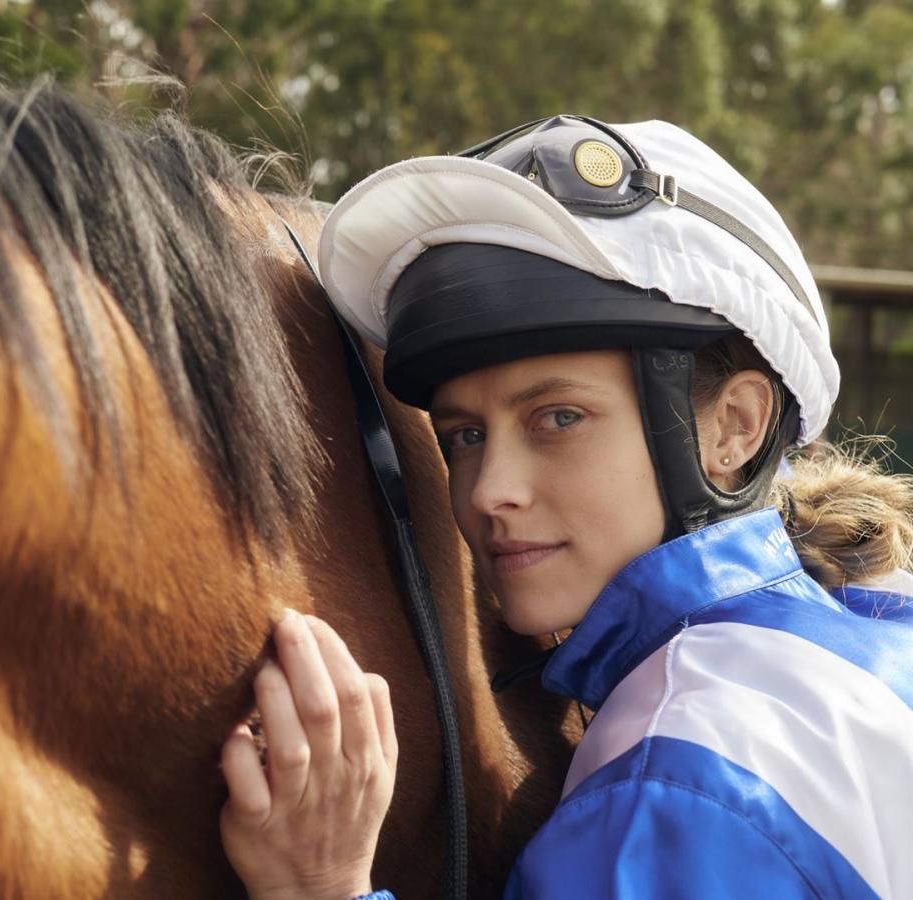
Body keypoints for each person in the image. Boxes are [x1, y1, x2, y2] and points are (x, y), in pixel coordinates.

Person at [218, 115, 913, 899]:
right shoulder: (876, 626)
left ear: (733, 428)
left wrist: (322, 885)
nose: (486, 491)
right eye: (465, 434)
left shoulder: (669, 791)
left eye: (558, 418)